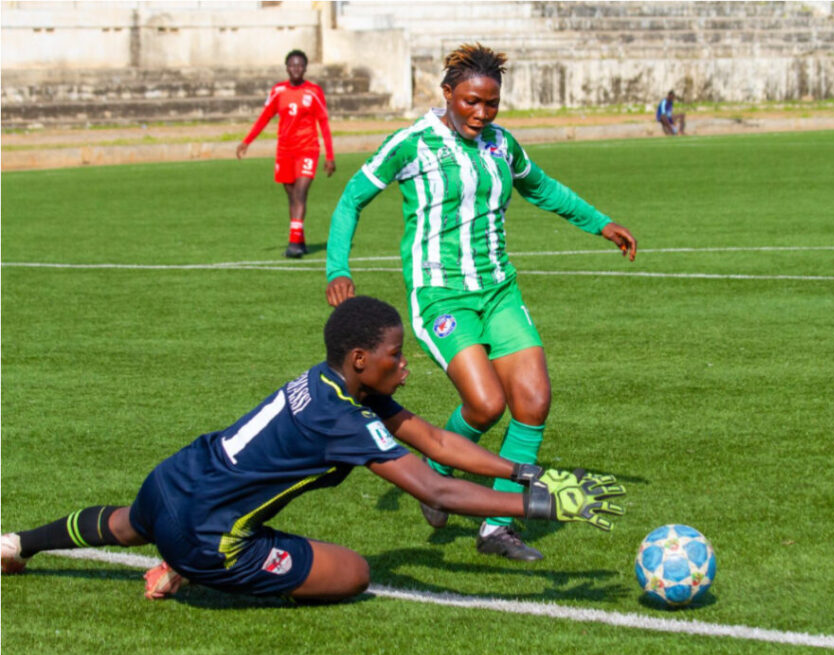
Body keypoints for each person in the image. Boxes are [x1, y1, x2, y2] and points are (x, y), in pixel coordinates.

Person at [0, 296, 624, 602]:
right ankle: (189, 564)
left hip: (172, 479)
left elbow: (435, 441)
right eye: (395, 356)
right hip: (205, 532)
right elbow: (434, 487)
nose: (405, 366)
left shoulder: (330, 381)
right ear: (361, 360)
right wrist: (539, 506)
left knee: (128, 524)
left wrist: (525, 469)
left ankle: (16, 544)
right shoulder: (341, 420)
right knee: (352, 573)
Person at [323, 44, 637, 562]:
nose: (481, 113)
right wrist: (338, 267)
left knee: (533, 400)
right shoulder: (412, 143)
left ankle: (497, 527)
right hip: (440, 293)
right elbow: (352, 198)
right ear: (447, 93)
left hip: (499, 290)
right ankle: (437, 473)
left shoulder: (500, 144)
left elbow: (542, 187)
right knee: (486, 404)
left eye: (491, 104)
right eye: (471, 101)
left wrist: (599, 222)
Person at [237, 49, 336, 258]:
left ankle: (293, 244)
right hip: (285, 151)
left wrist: (329, 155)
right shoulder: (278, 91)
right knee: (291, 196)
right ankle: (300, 241)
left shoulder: (314, 92)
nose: (296, 69)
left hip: (307, 149)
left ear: (305, 68)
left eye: (300, 65)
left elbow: (324, 123)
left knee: (300, 193)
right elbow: (265, 117)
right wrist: (247, 141)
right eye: (292, 65)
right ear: (287, 68)